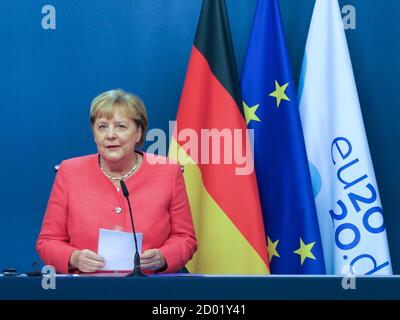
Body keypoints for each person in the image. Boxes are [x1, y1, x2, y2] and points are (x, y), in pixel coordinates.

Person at [36, 89, 197, 274]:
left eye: (121, 126)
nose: (110, 135)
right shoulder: (70, 172)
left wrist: (163, 256)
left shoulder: (168, 172)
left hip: (150, 289)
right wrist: (74, 258)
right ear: (94, 134)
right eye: (102, 127)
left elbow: (185, 238)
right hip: (87, 290)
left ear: (138, 133)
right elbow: (47, 241)